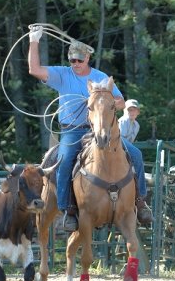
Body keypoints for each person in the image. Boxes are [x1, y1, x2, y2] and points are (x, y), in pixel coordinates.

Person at [28, 25, 153, 231]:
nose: (76, 64)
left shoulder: (101, 77)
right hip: (72, 129)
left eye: (80, 60)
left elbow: (120, 101)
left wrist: (100, 99)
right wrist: (34, 40)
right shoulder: (62, 74)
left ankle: (140, 202)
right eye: (73, 60)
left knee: (136, 155)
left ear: (87, 59)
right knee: (66, 159)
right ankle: (68, 210)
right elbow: (34, 70)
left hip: (99, 128)